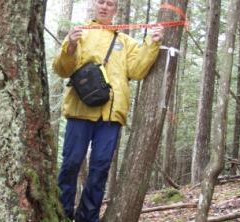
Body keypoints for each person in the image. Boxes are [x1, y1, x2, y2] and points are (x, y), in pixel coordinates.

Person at [53, 0, 164, 221]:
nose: (104, 7)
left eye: (110, 4)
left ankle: (87, 218)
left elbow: (137, 70)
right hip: (80, 111)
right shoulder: (80, 34)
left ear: (116, 9)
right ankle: (62, 213)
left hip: (111, 116)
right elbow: (62, 69)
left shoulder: (126, 41)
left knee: (100, 169)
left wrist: (152, 43)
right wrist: (70, 47)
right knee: (71, 163)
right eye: (100, 2)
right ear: (95, 5)